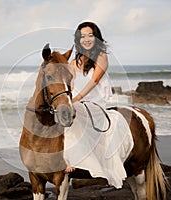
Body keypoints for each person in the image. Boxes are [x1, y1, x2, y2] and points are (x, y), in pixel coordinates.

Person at [64, 21, 133, 189]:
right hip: (77, 100)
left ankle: (72, 159)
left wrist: (77, 98)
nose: (86, 39)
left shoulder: (101, 56)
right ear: (78, 39)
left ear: (96, 38)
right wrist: (69, 100)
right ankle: (63, 157)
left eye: (90, 35)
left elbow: (94, 81)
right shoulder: (73, 63)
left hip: (95, 102)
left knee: (77, 115)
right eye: (83, 36)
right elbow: (72, 86)